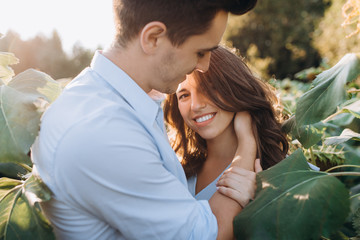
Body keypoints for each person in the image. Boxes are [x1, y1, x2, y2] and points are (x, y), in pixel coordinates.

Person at [31, 0, 260, 239]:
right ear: (153, 38)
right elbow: (205, 234)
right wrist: (246, 147)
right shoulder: (104, 132)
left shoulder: (108, 102)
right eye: (200, 52)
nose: (203, 66)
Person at [164, 46, 289, 200]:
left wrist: (263, 206)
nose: (195, 105)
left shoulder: (285, 170)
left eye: (208, 88)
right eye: (184, 95)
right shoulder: (175, 171)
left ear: (235, 87)